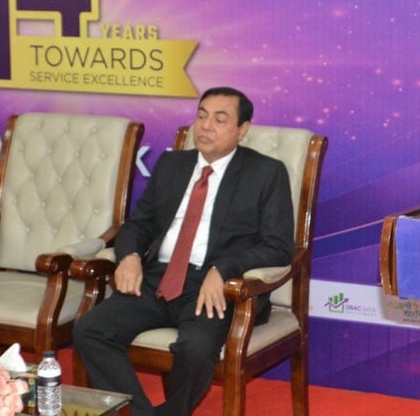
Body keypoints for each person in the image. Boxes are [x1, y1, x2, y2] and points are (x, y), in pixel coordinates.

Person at [73, 86, 294, 416]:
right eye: (201, 116)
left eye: (220, 120)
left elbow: (279, 247)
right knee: (90, 330)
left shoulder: (266, 173)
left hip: (215, 287)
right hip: (157, 278)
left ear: (242, 129)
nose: (205, 126)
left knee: (197, 348)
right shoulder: (172, 164)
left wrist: (224, 268)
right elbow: (138, 224)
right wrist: (129, 256)